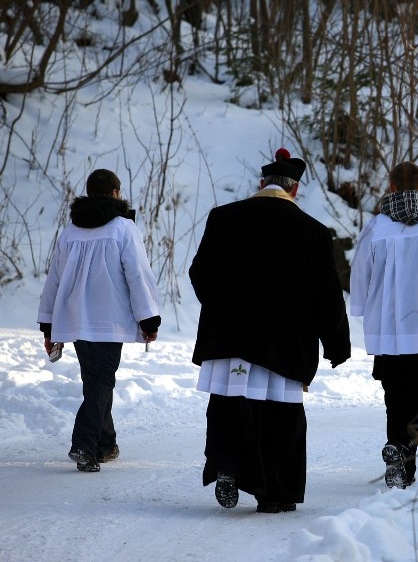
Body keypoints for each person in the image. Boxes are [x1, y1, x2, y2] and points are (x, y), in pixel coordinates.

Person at [190, 148, 350, 513]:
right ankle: (274, 493)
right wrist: (337, 344)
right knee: (281, 416)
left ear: (261, 184)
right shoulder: (313, 232)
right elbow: (327, 296)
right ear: (294, 191)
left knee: (229, 403)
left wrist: (220, 307)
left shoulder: (223, 218)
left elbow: (200, 273)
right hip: (284, 343)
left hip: (229, 335)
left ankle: (228, 466)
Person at [37, 168, 161, 473]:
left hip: (76, 320)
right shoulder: (122, 229)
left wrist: (48, 324)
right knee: (100, 382)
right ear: (117, 194)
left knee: (95, 382)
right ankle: (84, 445)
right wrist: (149, 319)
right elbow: (137, 275)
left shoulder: (71, 232)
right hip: (109, 321)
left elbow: (54, 280)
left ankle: (106, 444)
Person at [350, 161, 418, 489]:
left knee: (395, 393)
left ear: (391, 188)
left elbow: (360, 273)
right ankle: (401, 450)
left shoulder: (376, 227)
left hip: (388, 326)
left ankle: (397, 449)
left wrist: (362, 309)